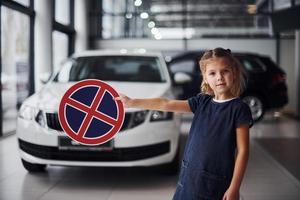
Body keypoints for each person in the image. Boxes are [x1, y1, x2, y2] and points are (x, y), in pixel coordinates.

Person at [116, 47, 253, 200]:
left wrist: (234, 187)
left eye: (225, 71)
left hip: (217, 181)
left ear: (234, 73)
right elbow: (166, 104)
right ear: (205, 78)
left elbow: (243, 151)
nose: (219, 77)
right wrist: (133, 102)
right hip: (189, 178)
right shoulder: (202, 102)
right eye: (212, 73)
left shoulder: (239, 108)